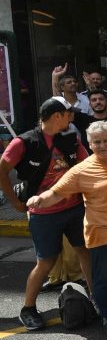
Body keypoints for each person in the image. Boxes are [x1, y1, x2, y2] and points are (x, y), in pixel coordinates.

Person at [26, 121, 107, 340]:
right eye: (97, 142)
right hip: (102, 235)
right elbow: (56, 193)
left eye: (106, 140)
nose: (102, 145)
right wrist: (39, 200)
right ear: (89, 143)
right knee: (104, 281)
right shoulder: (81, 170)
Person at [0, 97, 92, 331]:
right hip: (43, 213)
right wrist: (15, 203)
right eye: (68, 113)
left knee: (85, 252)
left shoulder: (71, 138)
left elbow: (89, 166)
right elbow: (2, 170)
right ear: (56, 116)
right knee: (46, 262)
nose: (72, 117)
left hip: (74, 209)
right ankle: (28, 309)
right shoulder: (24, 142)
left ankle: (97, 300)